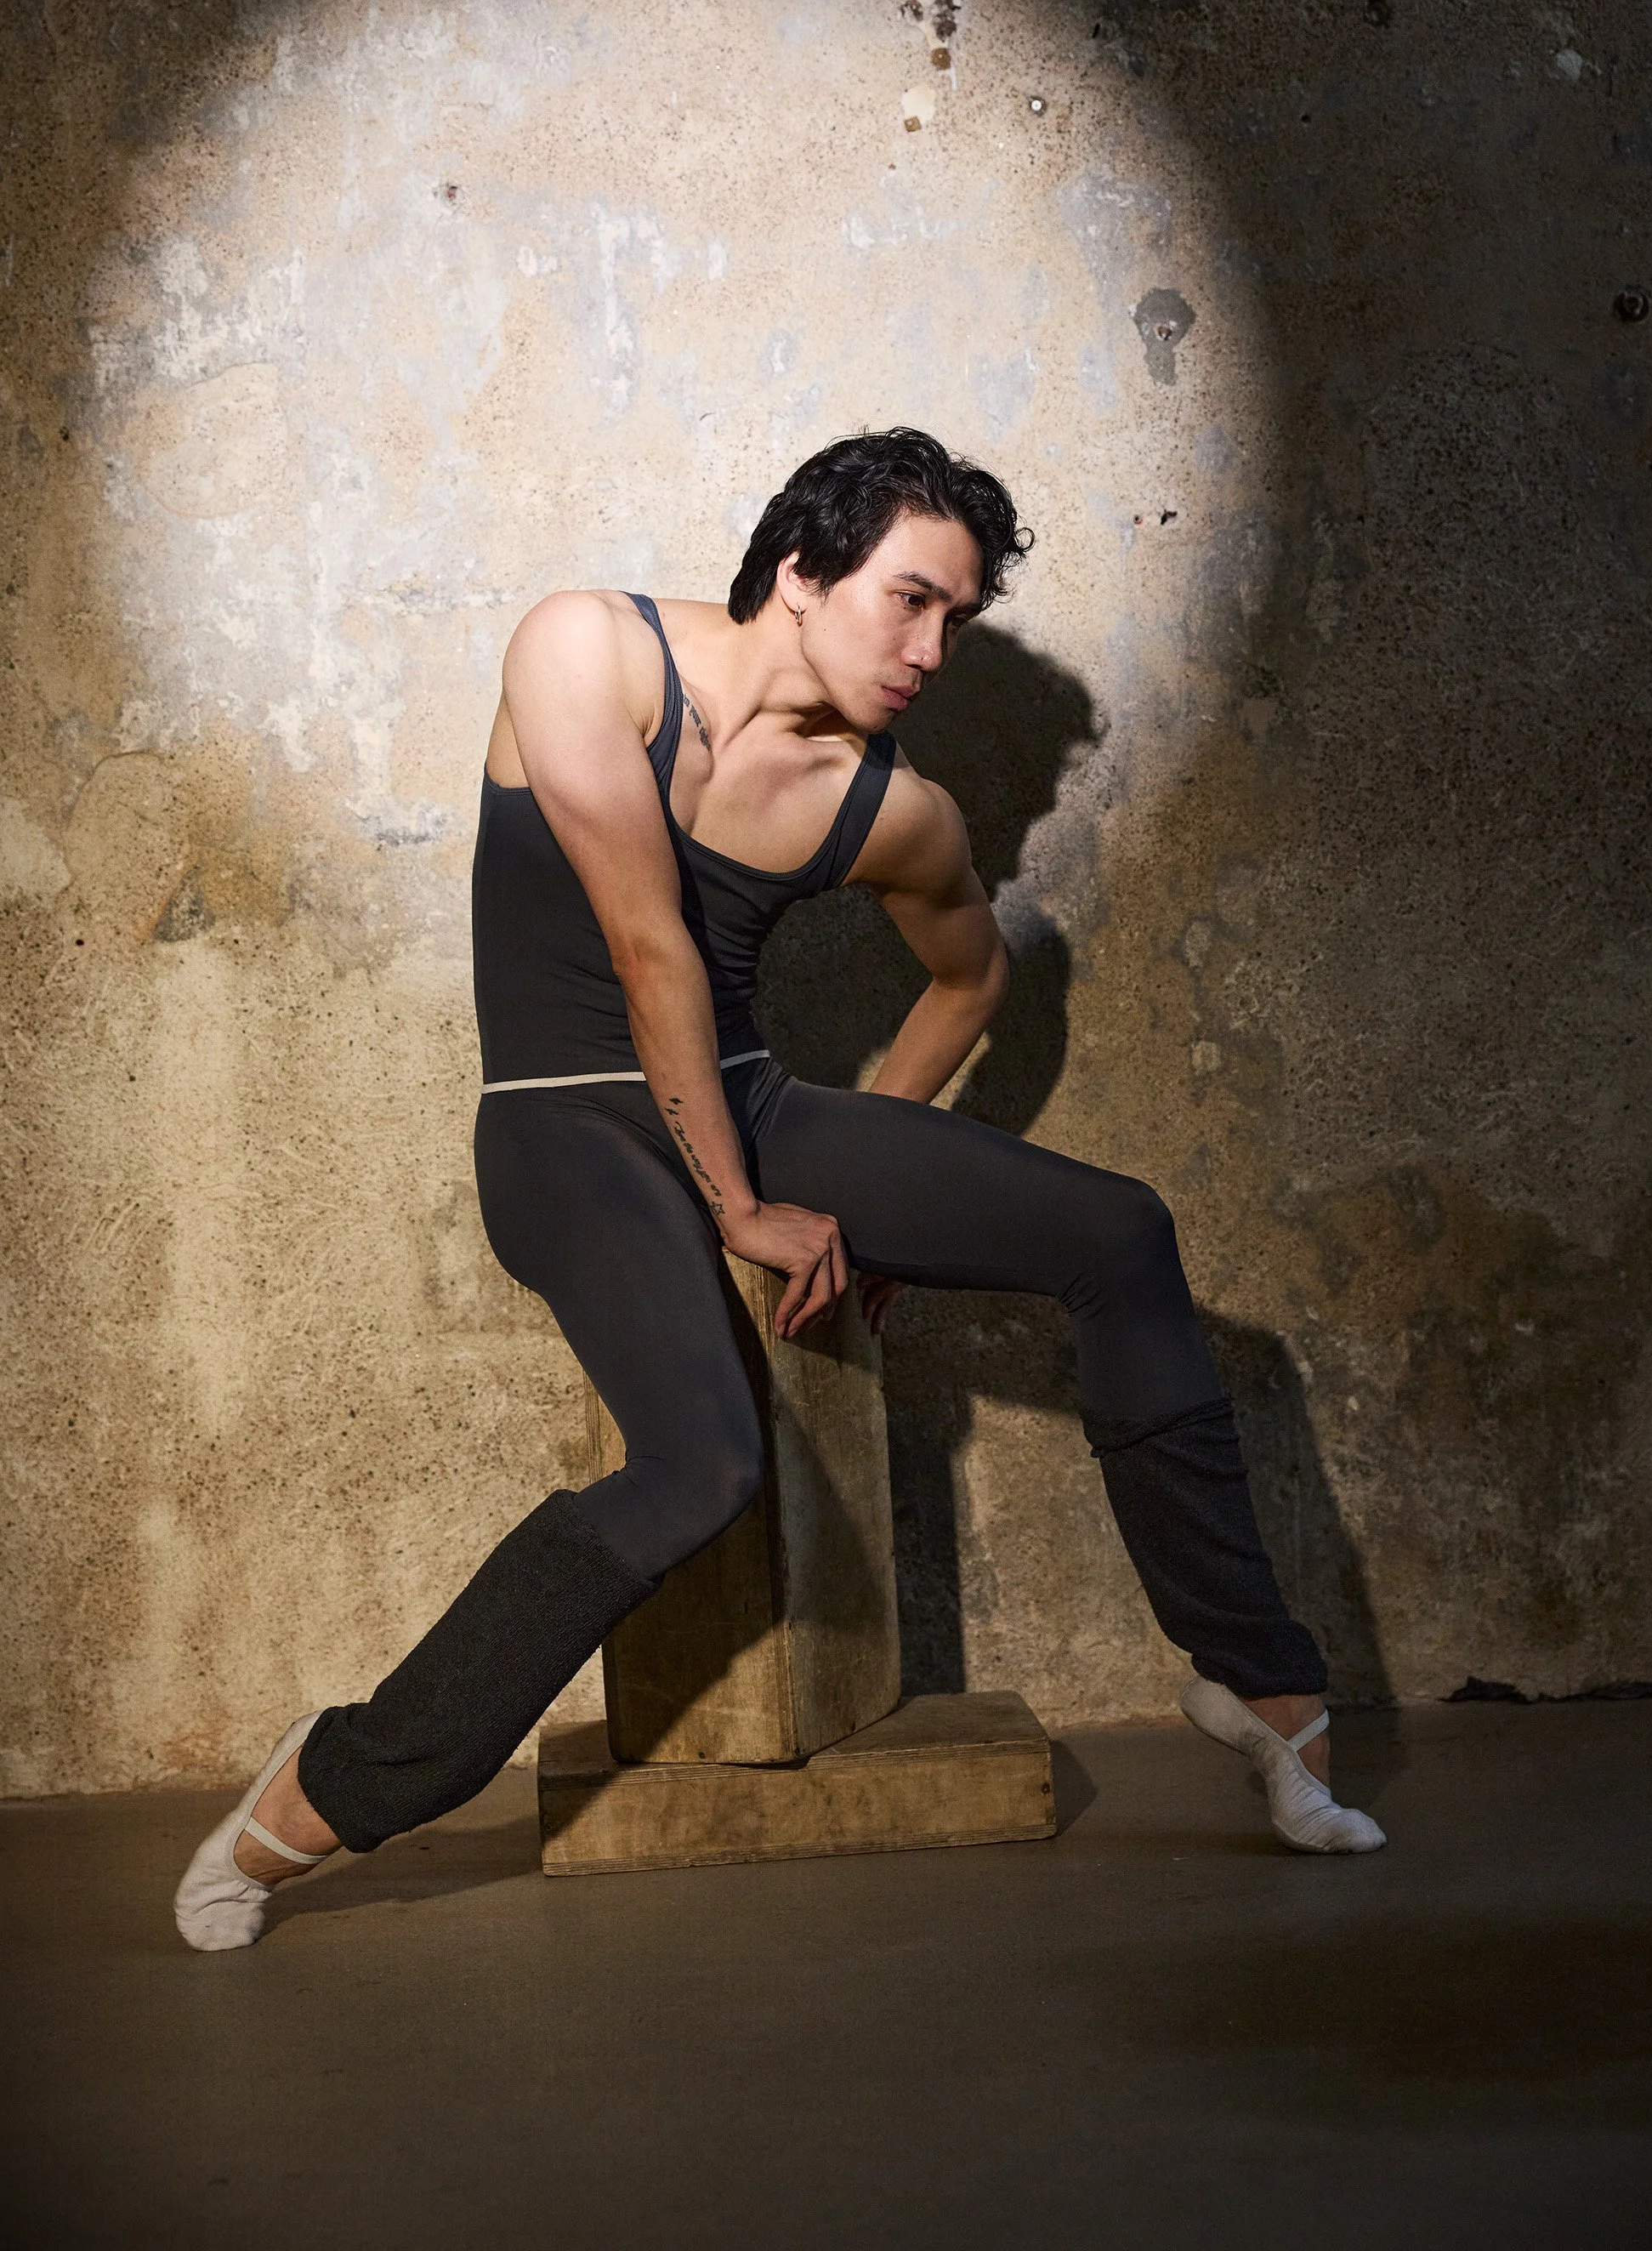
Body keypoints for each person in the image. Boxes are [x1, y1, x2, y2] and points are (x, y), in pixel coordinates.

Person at [175, 428, 1382, 1951]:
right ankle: (328, 1788)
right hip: (566, 1126)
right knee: (701, 1469)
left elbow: (974, 977)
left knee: (1120, 1231)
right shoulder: (586, 649)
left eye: (960, 619)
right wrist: (744, 1208)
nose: (934, 649)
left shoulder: (890, 807)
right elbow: (647, 944)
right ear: (803, 572)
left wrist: (872, 1172)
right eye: (911, 600)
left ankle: (1258, 1683)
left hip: (745, 1099)